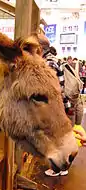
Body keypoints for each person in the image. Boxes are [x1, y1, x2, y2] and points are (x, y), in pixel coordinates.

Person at [37, 35, 71, 176]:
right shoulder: (55, 60)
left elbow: (47, 91)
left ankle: (57, 168)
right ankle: (63, 167)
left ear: (40, 48)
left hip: (54, 107)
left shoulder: (48, 63)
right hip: (62, 105)